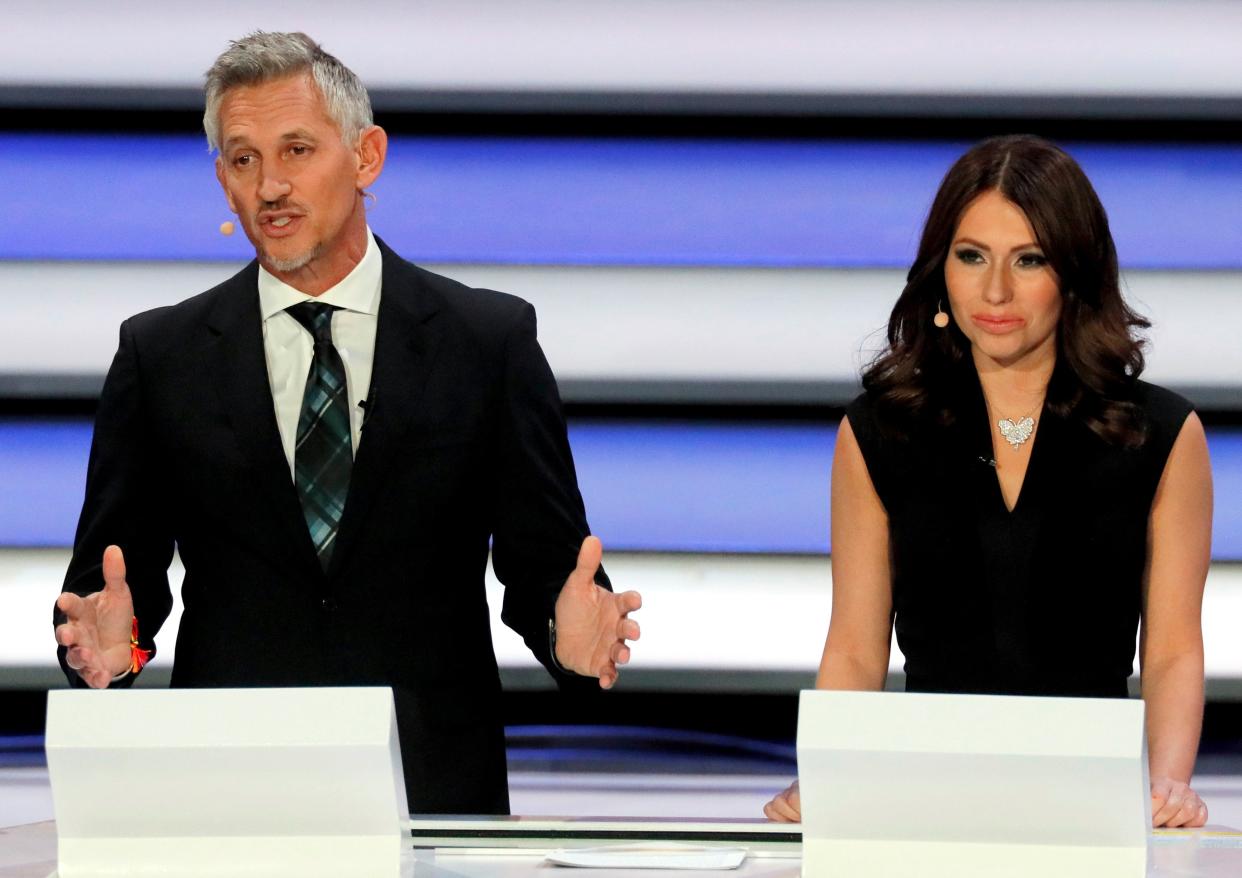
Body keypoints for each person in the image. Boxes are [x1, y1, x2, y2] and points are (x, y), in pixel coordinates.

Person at [51, 31, 641, 816]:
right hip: (225, 801)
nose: (270, 187)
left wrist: (570, 638)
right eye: (243, 159)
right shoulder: (160, 355)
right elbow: (116, 596)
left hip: (430, 794)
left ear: (366, 158)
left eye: (296, 150)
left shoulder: (486, 341)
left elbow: (546, 568)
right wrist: (112, 648)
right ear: (222, 181)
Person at [764, 135, 1211, 828]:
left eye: (1028, 260)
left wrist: (1168, 784)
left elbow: (1175, 647)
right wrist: (826, 772)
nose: (995, 291)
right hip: (926, 799)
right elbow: (855, 644)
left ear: (1074, 273)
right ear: (941, 270)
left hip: (1094, 802)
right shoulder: (881, 430)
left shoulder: (1158, 433)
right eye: (971, 257)